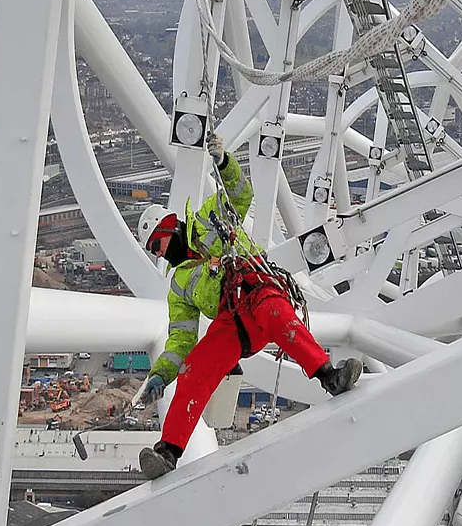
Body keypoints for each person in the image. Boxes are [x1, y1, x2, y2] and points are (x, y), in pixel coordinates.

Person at [133, 135, 361, 479]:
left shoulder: (208, 218)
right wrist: (160, 376)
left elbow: (240, 195)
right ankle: (168, 451)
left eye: (157, 245)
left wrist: (223, 161)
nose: (159, 254)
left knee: (276, 316)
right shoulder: (179, 284)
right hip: (233, 319)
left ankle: (330, 376)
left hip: (258, 287)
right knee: (194, 368)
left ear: (169, 227)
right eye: (154, 251)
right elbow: (181, 339)